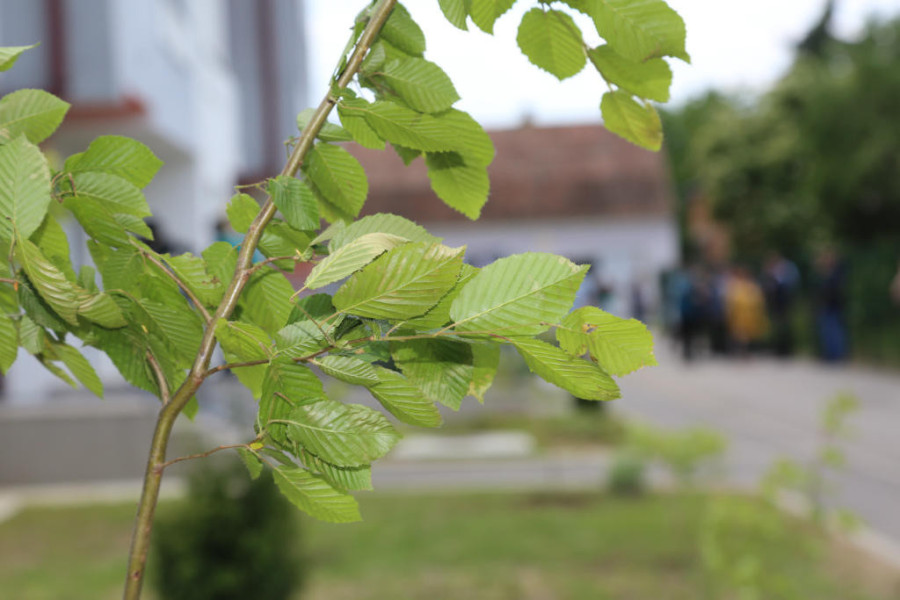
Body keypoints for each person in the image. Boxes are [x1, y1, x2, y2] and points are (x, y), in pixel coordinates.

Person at [763, 252, 800, 357]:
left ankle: (786, 349)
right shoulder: (772, 275)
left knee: (785, 326)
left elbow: (789, 288)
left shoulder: (788, 273)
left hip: (785, 304)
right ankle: (779, 348)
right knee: (777, 327)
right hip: (776, 305)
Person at [814, 248, 848, 362]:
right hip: (827, 305)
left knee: (834, 331)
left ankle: (836, 355)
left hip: (833, 305)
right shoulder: (830, 274)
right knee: (828, 331)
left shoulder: (836, 274)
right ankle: (830, 354)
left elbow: (833, 292)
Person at [725, 266, 768, 355]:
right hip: (738, 315)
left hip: (749, 315)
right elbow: (730, 301)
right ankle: (740, 352)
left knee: (746, 335)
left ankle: (745, 352)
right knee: (739, 335)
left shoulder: (751, 286)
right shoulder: (734, 285)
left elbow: (758, 300)